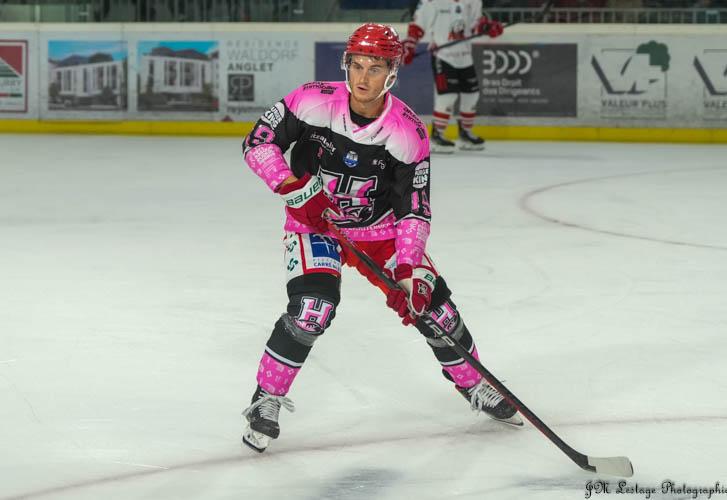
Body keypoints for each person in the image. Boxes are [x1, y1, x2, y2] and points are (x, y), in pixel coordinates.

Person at [240, 22, 521, 453]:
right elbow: (257, 142)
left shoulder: (408, 132)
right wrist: (293, 189)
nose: (363, 77)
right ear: (346, 65)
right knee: (312, 309)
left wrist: (408, 267)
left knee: (436, 310)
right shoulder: (311, 100)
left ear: (392, 73)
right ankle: (266, 399)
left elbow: (414, 209)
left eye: (375, 68)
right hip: (316, 225)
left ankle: (475, 384)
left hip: (380, 231)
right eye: (357, 65)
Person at [402, 0, 504, 153]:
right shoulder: (433, 1)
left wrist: (486, 27)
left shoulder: (474, 1)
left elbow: (475, 25)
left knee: (472, 95)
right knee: (447, 97)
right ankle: (437, 135)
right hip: (443, 56)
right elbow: (418, 24)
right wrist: (410, 44)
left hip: (465, 57)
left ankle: (465, 134)